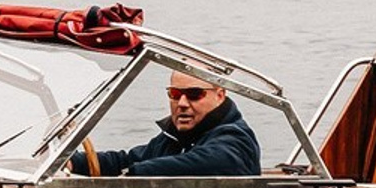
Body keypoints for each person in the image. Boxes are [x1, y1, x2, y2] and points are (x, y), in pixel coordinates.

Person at [80, 75, 261, 178]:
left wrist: (132, 174)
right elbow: (128, 160)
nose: (182, 103)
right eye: (175, 94)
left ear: (220, 95)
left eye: (194, 94)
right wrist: (72, 162)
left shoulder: (235, 139)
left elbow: (206, 163)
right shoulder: (175, 137)